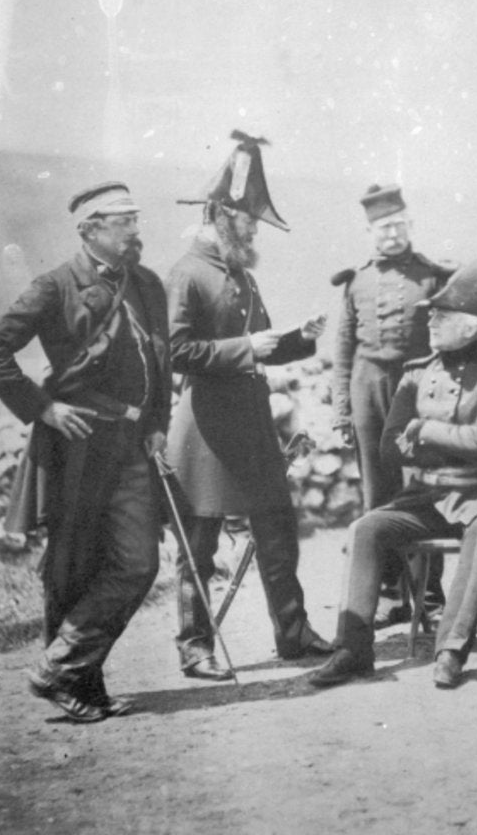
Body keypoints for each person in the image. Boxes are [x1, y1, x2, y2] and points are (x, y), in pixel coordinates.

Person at [0, 181, 170, 723]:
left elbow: (161, 360)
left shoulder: (147, 284)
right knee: (72, 566)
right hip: (77, 444)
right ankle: (82, 686)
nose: (135, 230)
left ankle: (58, 668)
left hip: (130, 444)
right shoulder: (54, 286)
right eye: (123, 221)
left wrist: (157, 423)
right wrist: (43, 409)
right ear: (91, 230)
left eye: (136, 218)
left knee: (137, 562)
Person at [166, 131, 332, 680]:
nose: (255, 228)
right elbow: (177, 350)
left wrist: (300, 339)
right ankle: (195, 646)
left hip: (252, 424)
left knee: (277, 530)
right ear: (221, 217)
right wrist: (243, 350)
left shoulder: (244, 276)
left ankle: (294, 632)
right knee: (201, 542)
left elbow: (262, 344)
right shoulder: (187, 274)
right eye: (248, 220)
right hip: (206, 430)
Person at [308, 259, 477, 690]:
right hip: (422, 497)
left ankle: (451, 650)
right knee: (367, 527)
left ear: (474, 327)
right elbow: (389, 446)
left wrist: (423, 430)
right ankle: (353, 650)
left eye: (443, 316)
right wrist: (439, 438)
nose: (432, 322)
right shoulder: (416, 374)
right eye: (432, 315)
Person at [331, 184, 453, 626]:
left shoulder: (432, 276)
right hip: (369, 391)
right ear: (369, 231)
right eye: (383, 228)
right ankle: (387, 596)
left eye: (399, 225)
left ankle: (430, 600)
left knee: (425, 490)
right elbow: (343, 351)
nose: (392, 234)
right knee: (377, 495)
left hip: (419, 391)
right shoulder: (356, 281)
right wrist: (342, 410)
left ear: (411, 226)